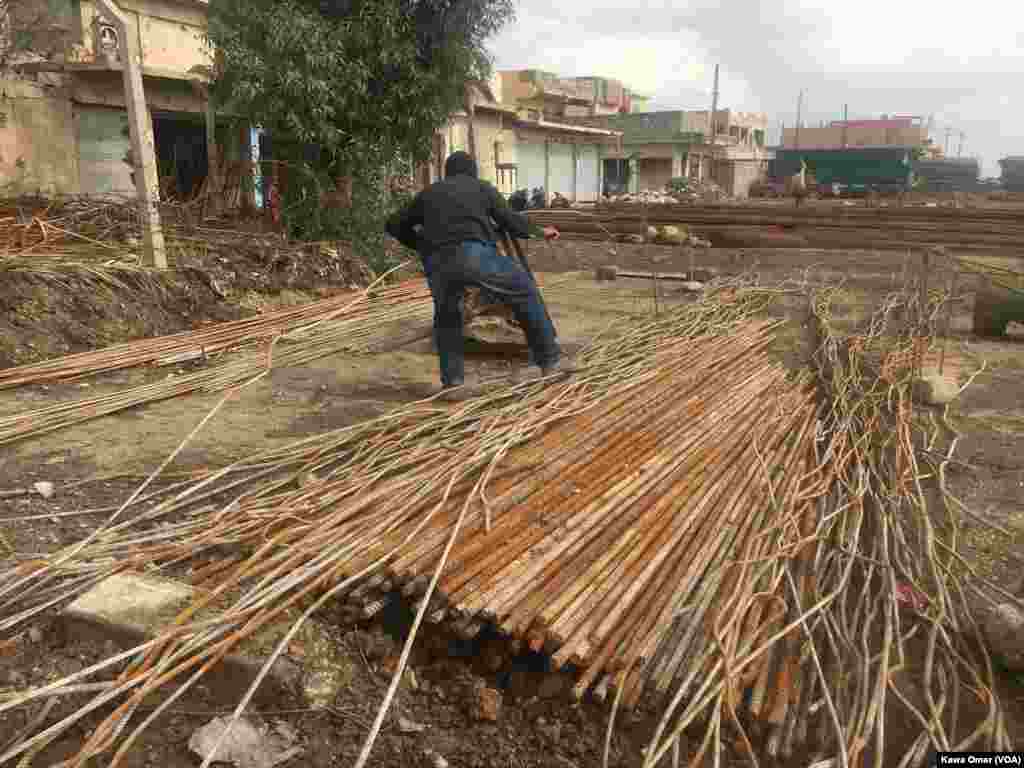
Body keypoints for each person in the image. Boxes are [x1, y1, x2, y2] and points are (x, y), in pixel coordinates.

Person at [386, 151, 572, 397]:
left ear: (447, 172)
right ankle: (550, 361)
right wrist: (539, 232)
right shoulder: (482, 188)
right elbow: (510, 220)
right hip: (473, 254)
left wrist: (421, 244)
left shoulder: (429, 193)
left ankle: (452, 383)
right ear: (473, 171)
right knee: (524, 290)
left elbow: (393, 224)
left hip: (438, 264)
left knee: (447, 315)